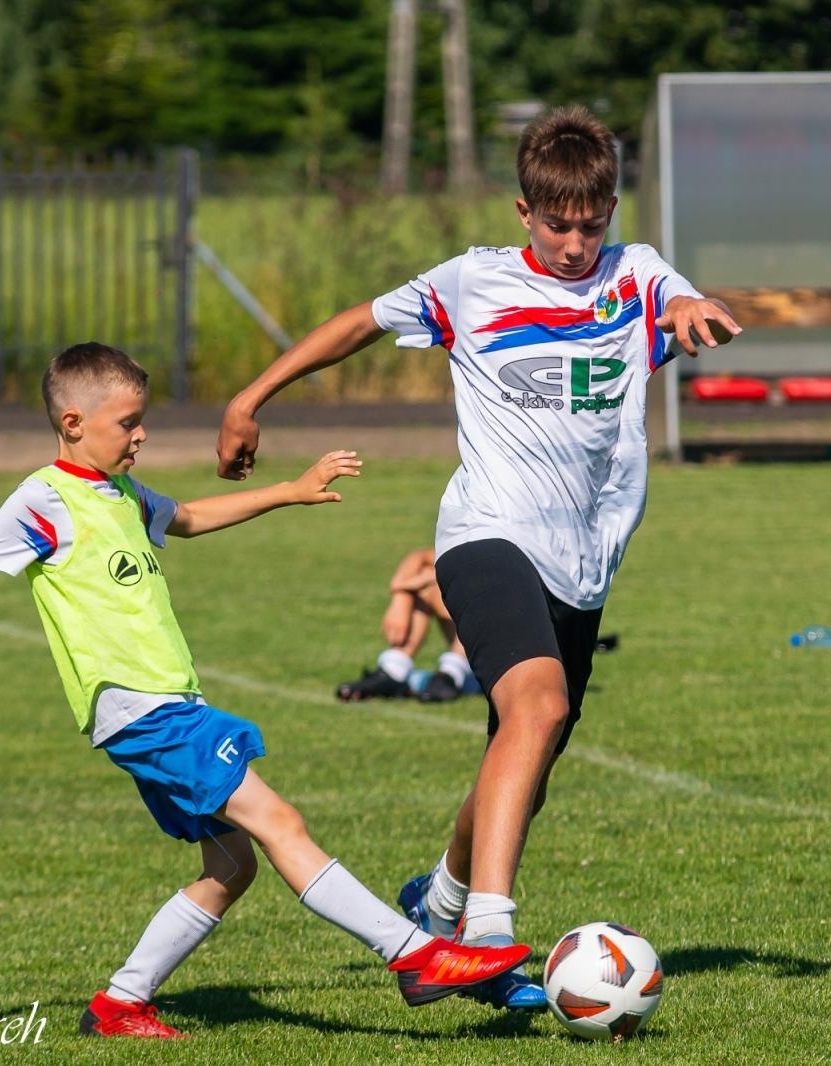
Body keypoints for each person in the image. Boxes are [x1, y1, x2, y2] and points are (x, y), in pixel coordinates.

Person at [216, 105, 740, 1009]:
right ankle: (488, 935)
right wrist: (251, 396)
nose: (578, 243)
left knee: (525, 758)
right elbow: (358, 324)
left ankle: (444, 899)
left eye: (594, 223)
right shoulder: (474, 283)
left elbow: (679, 299)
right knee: (534, 706)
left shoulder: (635, 275)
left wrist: (694, 308)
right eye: (559, 224)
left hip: (585, 558)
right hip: (486, 534)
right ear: (523, 212)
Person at [0, 343, 531, 1040]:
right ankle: (414, 956)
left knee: (230, 866)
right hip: (143, 711)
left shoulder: (124, 495)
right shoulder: (42, 500)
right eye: (127, 423)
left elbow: (187, 516)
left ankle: (120, 1004)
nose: (141, 436)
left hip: (165, 709)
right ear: (72, 423)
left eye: (142, 422)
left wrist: (288, 491)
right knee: (280, 821)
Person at [336, 548, 479, 704]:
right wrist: (401, 597)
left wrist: (417, 582)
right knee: (430, 574)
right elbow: (421, 557)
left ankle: (454, 672)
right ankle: (394, 670)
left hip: (499, 655)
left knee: (470, 585)